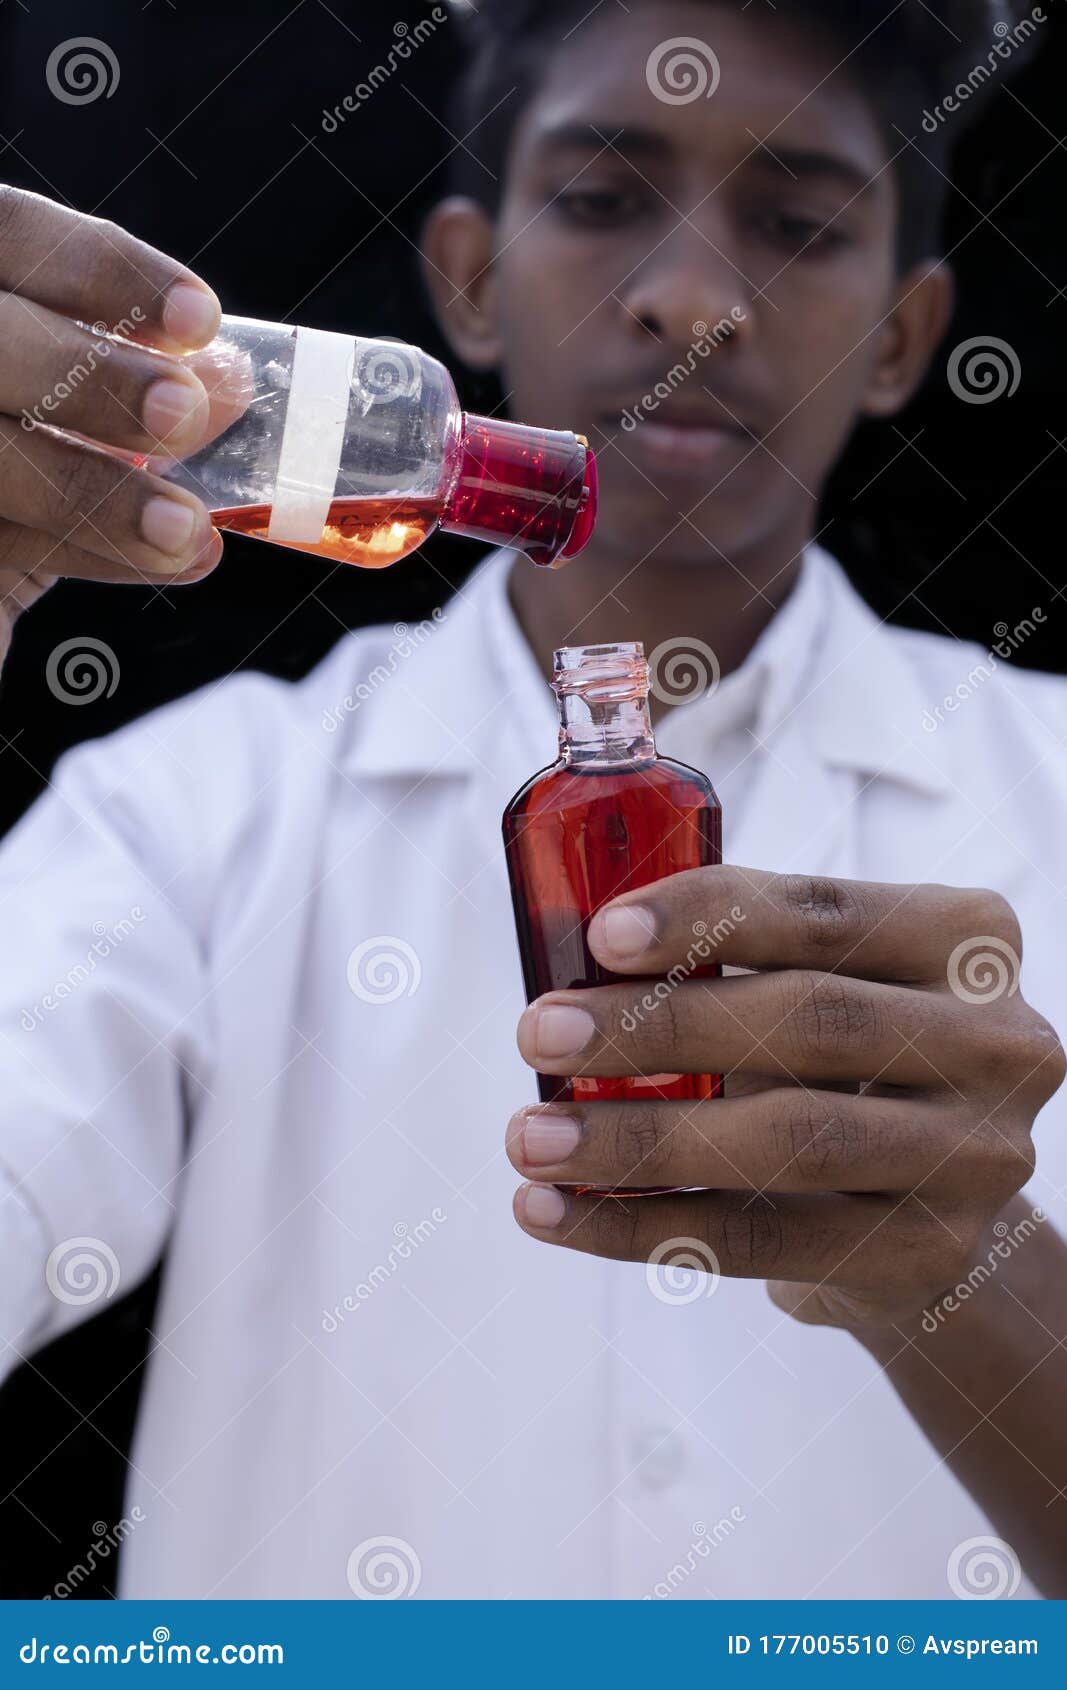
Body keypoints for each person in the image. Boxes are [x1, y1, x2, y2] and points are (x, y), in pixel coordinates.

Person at [1, 0, 1065, 1600]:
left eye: (795, 224)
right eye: (601, 196)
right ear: (466, 279)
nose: (695, 301)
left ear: (907, 332)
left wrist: (967, 1265)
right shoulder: (191, 812)